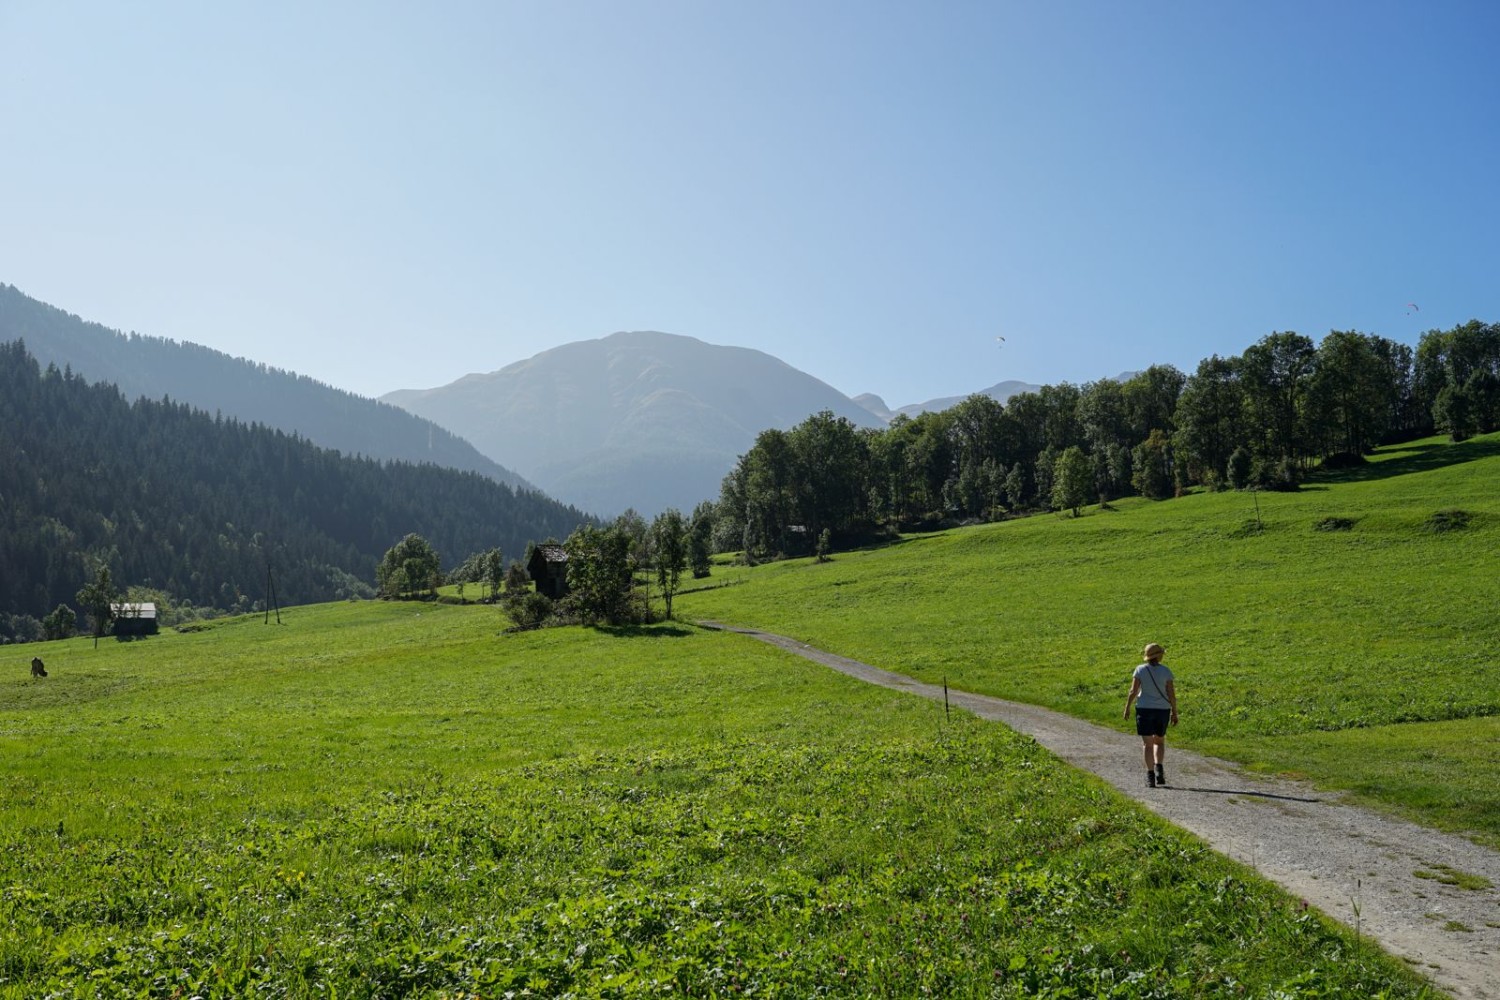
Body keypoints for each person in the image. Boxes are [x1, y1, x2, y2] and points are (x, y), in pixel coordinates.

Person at [1122, 642, 1177, 788]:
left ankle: (1150, 776)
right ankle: (1159, 769)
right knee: (1159, 741)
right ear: (1159, 656)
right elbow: (1171, 694)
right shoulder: (1166, 672)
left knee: (1147, 744)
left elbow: (1133, 691)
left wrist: (1127, 707)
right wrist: (1174, 712)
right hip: (1162, 710)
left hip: (1144, 709)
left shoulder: (1140, 670)